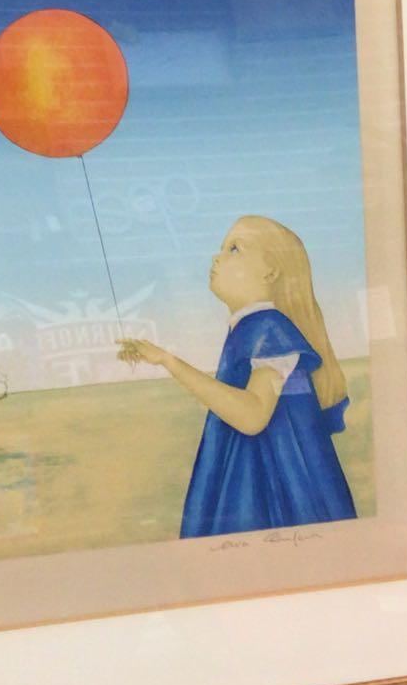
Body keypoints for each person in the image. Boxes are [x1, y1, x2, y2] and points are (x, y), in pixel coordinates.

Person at [117, 215, 357, 538]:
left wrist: (169, 362)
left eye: (234, 249)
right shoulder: (251, 327)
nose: (216, 258)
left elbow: (253, 416)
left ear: (270, 272)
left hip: (274, 496)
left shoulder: (269, 329)